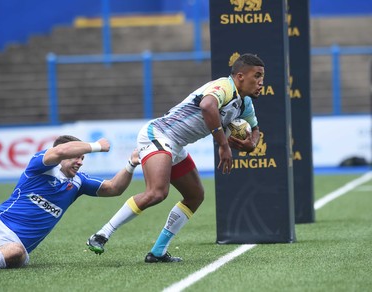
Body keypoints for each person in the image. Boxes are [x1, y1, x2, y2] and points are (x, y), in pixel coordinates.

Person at [87, 53, 265, 262]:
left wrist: (251, 145)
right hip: (158, 134)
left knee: (195, 196)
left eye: (262, 76)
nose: (261, 82)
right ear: (240, 76)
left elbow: (254, 128)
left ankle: (158, 252)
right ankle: (101, 234)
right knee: (157, 192)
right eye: (257, 75)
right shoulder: (224, 87)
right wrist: (224, 145)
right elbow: (207, 106)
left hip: (176, 144)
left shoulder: (244, 104)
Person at [0, 135, 140, 270]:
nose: (80, 162)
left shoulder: (79, 182)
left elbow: (114, 188)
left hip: (14, 243)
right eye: (76, 157)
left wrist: (131, 164)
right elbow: (60, 151)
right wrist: (96, 146)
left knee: (15, 252)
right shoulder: (39, 165)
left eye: (83, 158)